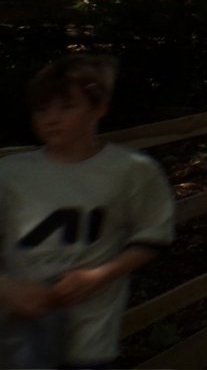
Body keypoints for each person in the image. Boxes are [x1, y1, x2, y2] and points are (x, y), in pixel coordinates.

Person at [0, 54, 175, 370]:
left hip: (91, 338)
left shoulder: (131, 171)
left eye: (67, 107)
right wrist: (6, 287)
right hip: (18, 339)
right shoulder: (10, 174)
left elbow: (154, 235)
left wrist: (99, 276)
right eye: (42, 109)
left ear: (99, 108)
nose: (52, 119)